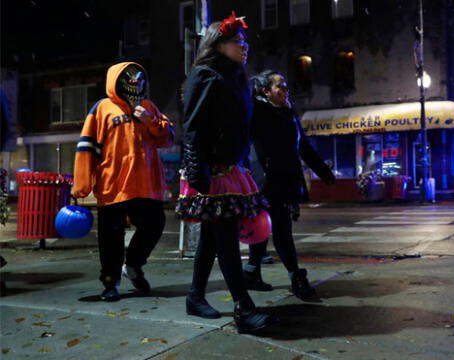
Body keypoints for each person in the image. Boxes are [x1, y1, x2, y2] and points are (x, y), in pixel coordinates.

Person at [175, 12, 276, 333]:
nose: (244, 47)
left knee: (211, 236)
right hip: (211, 170)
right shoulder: (205, 75)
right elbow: (192, 128)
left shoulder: (236, 78)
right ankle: (243, 308)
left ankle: (194, 297)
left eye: (245, 42)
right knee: (226, 236)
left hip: (231, 168)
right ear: (218, 44)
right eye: (237, 41)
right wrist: (197, 171)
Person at [72, 62, 174, 302]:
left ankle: (134, 265)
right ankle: (110, 283)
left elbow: (168, 139)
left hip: (146, 185)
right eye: (130, 80)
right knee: (111, 238)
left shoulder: (149, 107)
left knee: (155, 224)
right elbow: (86, 147)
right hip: (113, 186)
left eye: (139, 80)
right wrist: (82, 185)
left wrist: (150, 121)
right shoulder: (101, 109)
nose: (135, 84)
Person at [244, 70, 335, 299]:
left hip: (287, 179)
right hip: (266, 179)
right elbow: (246, 96)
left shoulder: (289, 113)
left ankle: (251, 272)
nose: (285, 90)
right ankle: (296, 277)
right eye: (280, 86)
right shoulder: (259, 111)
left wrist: (323, 171)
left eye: (286, 86)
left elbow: (302, 146)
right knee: (282, 229)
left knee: (264, 227)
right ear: (266, 91)